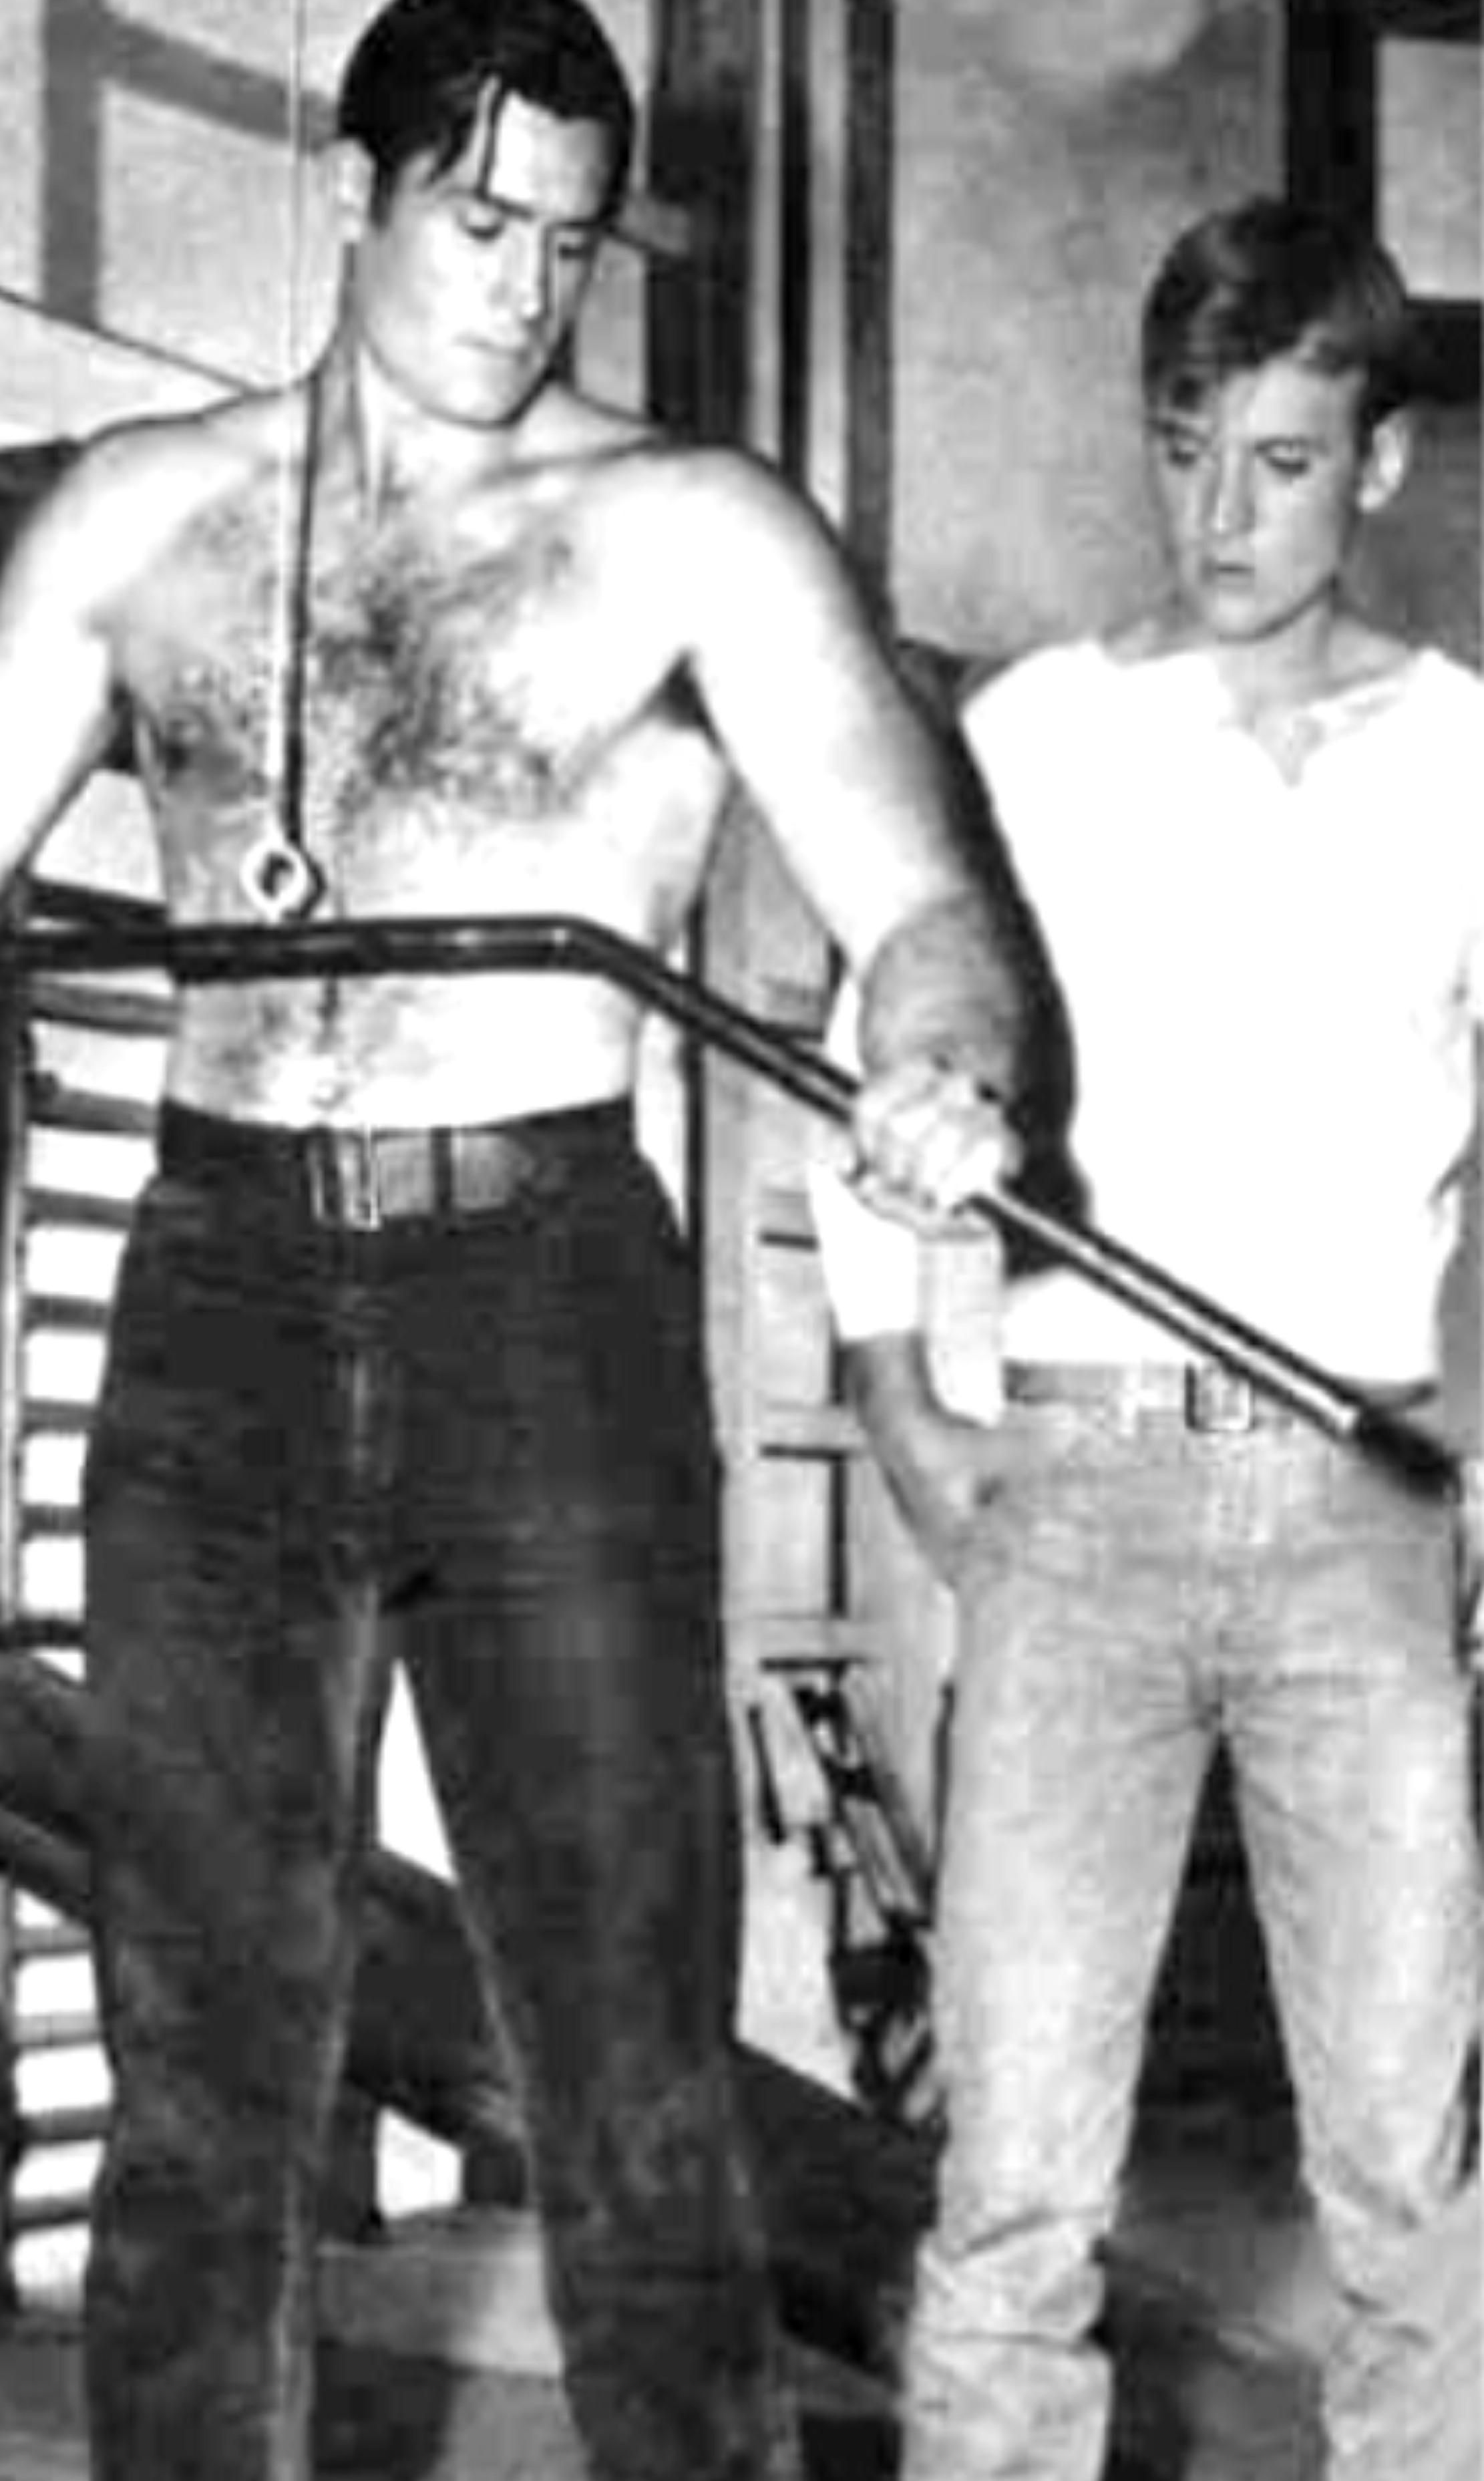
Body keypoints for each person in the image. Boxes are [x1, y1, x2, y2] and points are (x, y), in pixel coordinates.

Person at [0, 0, 1032, 2481]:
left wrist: (946, 1064)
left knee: (629, 2084)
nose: (524, 287)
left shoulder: (686, 529)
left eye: (569, 244)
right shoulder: (137, 523)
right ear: (358, 190)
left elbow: (919, 893)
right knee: (198, 2079)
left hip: (543, 1297)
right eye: (478, 220)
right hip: (219, 1314)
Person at [811, 194, 1484, 2481]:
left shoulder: (1471, 762)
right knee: (1014, 2180)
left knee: (1409, 2174)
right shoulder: (1033, 740)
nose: (1222, 513)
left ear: (1379, 463)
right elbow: (867, 1077)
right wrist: (906, 1396)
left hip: (1363, 1513)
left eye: (1283, 461)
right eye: (1187, 447)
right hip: (1078, 1494)